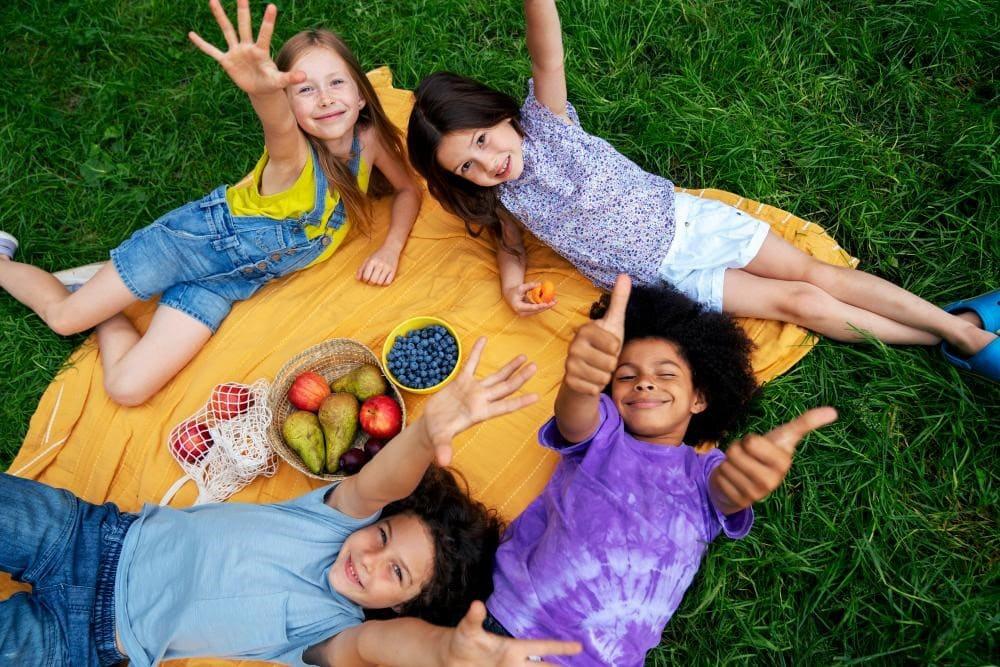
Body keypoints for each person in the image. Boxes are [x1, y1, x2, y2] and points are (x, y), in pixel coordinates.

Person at [405, 0, 999, 383]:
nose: (488, 164)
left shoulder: (547, 124)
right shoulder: (505, 203)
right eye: (467, 168)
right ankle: (949, 335)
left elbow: (546, 49)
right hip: (672, 281)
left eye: (482, 140)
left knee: (817, 275)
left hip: (692, 225)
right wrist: (512, 289)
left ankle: (956, 331)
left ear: (498, 114)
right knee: (801, 304)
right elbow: (509, 248)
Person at [0, 339, 582, 667]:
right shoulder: (327, 523)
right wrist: (425, 435)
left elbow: (384, 647)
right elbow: (382, 484)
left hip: (83, 640)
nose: (371, 558)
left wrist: (444, 654)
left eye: (396, 573)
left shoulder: (334, 633)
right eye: (383, 538)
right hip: (91, 535)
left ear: (404, 607)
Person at [0, 0, 422, 406]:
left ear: (362, 94)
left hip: (227, 281)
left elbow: (407, 190)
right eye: (304, 89)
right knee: (63, 319)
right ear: (289, 105)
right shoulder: (293, 160)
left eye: (336, 83)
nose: (326, 98)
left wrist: (391, 247)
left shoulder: (368, 141)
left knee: (127, 388)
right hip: (182, 248)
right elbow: (276, 125)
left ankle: (102, 297)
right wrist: (263, 93)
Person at [480, 275, 835, 665]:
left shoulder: (704, 472)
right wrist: (581, 381)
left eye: (666, 375)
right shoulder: (604, 430)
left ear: (699, 398)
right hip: (514, 621)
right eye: (626, 375)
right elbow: (573, 417)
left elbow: (726, 492)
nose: (645, 383)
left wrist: (745, 480)